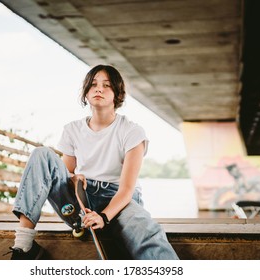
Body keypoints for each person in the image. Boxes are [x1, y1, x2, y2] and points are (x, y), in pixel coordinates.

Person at [9, 64, 179, 260]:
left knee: (146, 229)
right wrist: (74, 177)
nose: (99, 89)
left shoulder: (132, 131)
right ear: (86, 92)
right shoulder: (72, 129)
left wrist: (104, 216)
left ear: (117, 94)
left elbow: (127, 189)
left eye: (106, 85)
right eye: (93, 85)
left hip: (120, 201)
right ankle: (24, 246)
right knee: (41, 153)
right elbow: (63, 174)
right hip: (82, 201)